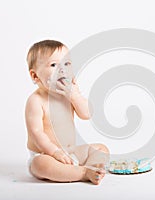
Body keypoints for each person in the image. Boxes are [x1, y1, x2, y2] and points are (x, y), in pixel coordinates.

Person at [25, 39, 109, 184]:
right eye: (53, 65)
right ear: (35, 76)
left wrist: (75, 96)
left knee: (101, 149)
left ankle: (93, 168)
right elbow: (37, 133)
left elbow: (86, 114)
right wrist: (54, 152)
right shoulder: (36, 101)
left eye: (67, 63)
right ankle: (83, 173)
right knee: (40, 165)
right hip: (46, 154)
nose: (62, 69)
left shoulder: (68, 95)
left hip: (71, 152)